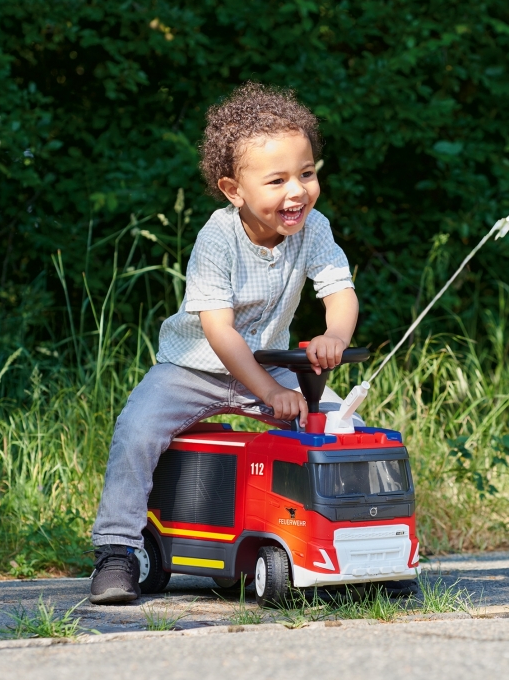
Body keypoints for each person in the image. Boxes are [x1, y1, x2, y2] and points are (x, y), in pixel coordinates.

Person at [88, 82, 359, 604]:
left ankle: (336, 538)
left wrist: (334, 335)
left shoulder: (314, 228)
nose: (297, 191)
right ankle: (117, 551)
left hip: (270, 364)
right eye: (277, 180)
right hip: (192, 368)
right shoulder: (218, 237)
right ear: (235, 189)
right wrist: (269, 393)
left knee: (342, 425)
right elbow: (220, 331)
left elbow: (339, 291)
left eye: (306, 174)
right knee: (137, 430)